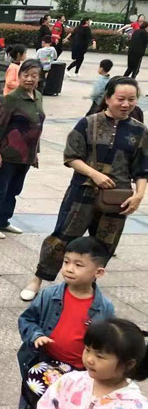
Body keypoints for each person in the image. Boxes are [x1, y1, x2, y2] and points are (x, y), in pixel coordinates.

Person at [21, 77, 148, 301]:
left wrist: (139, 195)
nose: (126, 104)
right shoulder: (88, 123)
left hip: (116, 198)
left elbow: (142, 169)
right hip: (82, 193)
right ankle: (38, 279)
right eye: (120, 98)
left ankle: (86, 285)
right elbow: (71, 156)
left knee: (104, 244)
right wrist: (94, 174)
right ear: (107, 98)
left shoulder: (140, 131)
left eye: (131, 99)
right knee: (62, 237)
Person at [15, 237, 115, 409]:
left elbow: (107, 341)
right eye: (66, 262)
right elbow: (27, 319)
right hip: (43, 364)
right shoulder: (49, 295)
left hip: (80, 373)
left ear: (98, 272)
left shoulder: (104, 307)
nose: (69, 269)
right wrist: (36, 335)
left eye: (78, 265)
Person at [0, 59, 45, 239]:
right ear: (19, 76)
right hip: (8, 153)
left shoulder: (38, 96)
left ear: (39, 77)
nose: (29, 79)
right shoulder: (12, 98)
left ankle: (3, 221)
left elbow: (37, 125)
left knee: (14, 190)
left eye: (34, 75)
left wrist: (35, 153)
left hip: (26, 155)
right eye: (26, 75)